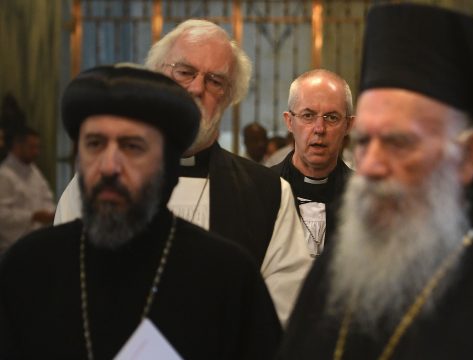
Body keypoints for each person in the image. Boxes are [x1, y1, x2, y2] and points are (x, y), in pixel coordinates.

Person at [278, 4, 473, 359]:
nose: (370, 166)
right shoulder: (335, 273)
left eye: (398, 142)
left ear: (466, 157)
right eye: (365, 142)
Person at [0, 65, 281, 359]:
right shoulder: (26, 268)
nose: (109, 166)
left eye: (132, 147)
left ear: (168, 167)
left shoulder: (228, 278)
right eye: (94, 144)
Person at [54, 20, 311, 325]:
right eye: (185, 72)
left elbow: (283, 311)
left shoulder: (270, 195)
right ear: (156, 76)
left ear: (230, 97)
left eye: (215, 81)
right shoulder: (103, 180)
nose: (196, 88)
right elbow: (65, 285)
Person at [272, 69, 354, 257]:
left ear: (348, 126)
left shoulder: (364, 199)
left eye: (332, 117)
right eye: (308, 115)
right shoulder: (261, 190)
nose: (319, 129)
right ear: (289, 121)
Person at [0, 126, 55, 254]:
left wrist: (52, 212)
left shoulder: (35, 172)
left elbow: (47, 198)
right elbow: (2, 215)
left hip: (36, 242)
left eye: (37, 147)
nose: (36, 152)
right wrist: (32, 216)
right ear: (17, 146)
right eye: (32, 147)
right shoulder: (4, 175)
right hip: (10, 248)